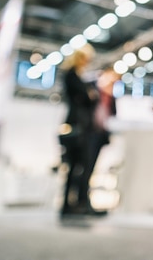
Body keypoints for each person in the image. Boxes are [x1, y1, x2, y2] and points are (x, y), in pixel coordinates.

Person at [58, 43, 105, 217]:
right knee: (78, 165)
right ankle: (74, 204)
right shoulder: (72, 75)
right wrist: (89, 94)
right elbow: (88, 97)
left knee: (80, 166)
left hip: (81, 126)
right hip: (77, 127)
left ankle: (77, 203)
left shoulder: (78, 76)